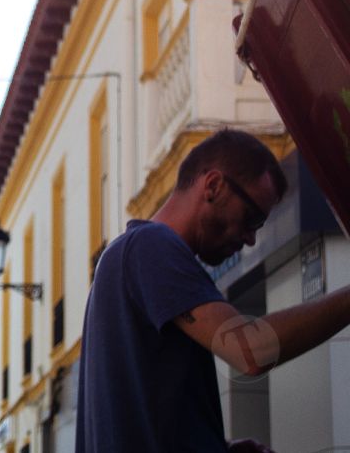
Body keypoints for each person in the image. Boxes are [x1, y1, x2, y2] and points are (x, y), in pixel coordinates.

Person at [75, 128, 350, 453]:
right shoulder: (152, 247)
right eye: (251, 218)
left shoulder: (128, 257)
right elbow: (250, 351)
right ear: (214, 185)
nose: (250, 238)